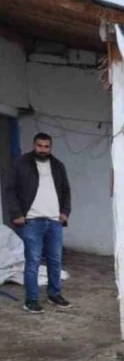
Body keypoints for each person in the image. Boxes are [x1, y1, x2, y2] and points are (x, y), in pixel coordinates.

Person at [2, 133, 72, 313]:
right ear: (34, 145)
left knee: (55, 260)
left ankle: (54, 294)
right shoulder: (21, 163)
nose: (43, 149)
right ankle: (31, 300)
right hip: (32, 221)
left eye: (46, 146)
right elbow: (9, 190)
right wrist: (16, 213)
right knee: (32, 261)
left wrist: (65, 212)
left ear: (51, 147)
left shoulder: (57, 166)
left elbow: (66, 190)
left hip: (54, 222)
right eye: (39, 146)